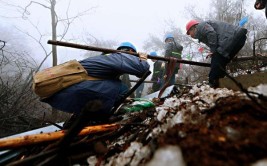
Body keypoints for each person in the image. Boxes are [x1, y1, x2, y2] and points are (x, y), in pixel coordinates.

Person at [42, 42, 150, 127]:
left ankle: (81, 119)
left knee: (116, 87)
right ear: (130, 51)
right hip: (84, 88)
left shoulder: (104, 58)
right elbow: (142, 70)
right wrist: (143, 59)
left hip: (66, 93)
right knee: (122, 89)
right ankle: (106, 116)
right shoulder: (121, 56)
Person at [185, 19, 247, 88]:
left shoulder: (200, 26)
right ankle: (221, 84)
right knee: (221, 62)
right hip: (238, 38)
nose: (190, 35)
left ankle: (213, 85)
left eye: (189, 32)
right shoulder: (201, 33)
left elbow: (211, 33)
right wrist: (213, 51)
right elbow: (214, 39)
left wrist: (213, 51)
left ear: (193, 28)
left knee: (216, 61)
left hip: (231, 37)